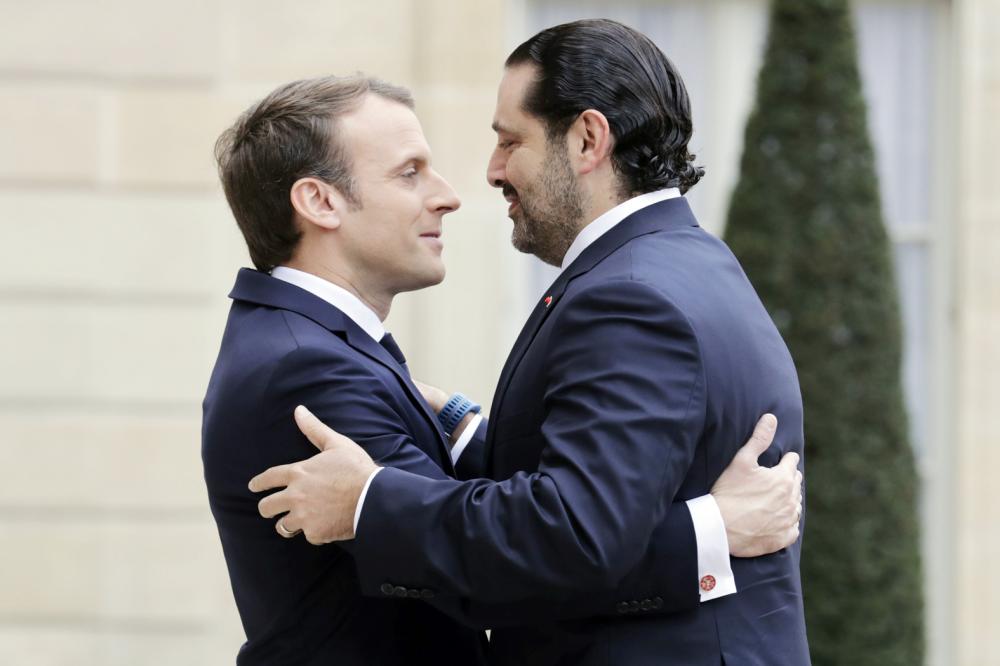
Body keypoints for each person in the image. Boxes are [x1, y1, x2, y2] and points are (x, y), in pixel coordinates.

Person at [250, 18, 810, 666]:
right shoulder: (684, 262)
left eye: (509, 142)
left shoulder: (627, 297)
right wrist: (460, 429)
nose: (492, 172)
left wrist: (369, 503)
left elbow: (571, 540)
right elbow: (611, 489)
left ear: (587, 139)